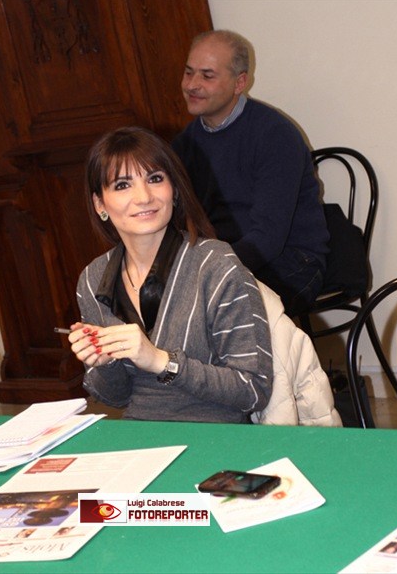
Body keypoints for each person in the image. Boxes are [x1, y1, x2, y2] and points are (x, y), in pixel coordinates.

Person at [66, 126, 273, 423]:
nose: (144, 197)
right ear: (100, 204)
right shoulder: (92, 279)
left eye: (155, 179)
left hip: (216, 432)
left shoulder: (215, 264)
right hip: (139, 432)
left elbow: (253, 390)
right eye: (123, 185)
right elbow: (116, 398)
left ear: (174, 190)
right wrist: (105, 363)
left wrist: (162, 362)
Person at [172, 30, 329, 315]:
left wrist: (207, 273)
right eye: (188, 72)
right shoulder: (184, 144)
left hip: (290, 259)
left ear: (240, 83)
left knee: (211, 314)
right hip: (226, 261)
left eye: (207, 76)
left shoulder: (274, 134)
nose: (192, 85)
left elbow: (268, 239)